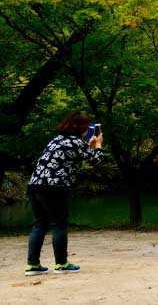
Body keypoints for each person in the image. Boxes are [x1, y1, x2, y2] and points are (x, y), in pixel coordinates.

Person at [25, 112, 104, 276]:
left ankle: (32, 265)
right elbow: (96, 160)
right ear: (82, 129)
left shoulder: (56, 140)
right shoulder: (75, 142)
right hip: (55, 187)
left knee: (40, 224)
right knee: (59, 224)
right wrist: (98, 145)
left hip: (34, 185)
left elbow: (76, 154)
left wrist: (88, 145)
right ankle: (61, 263)